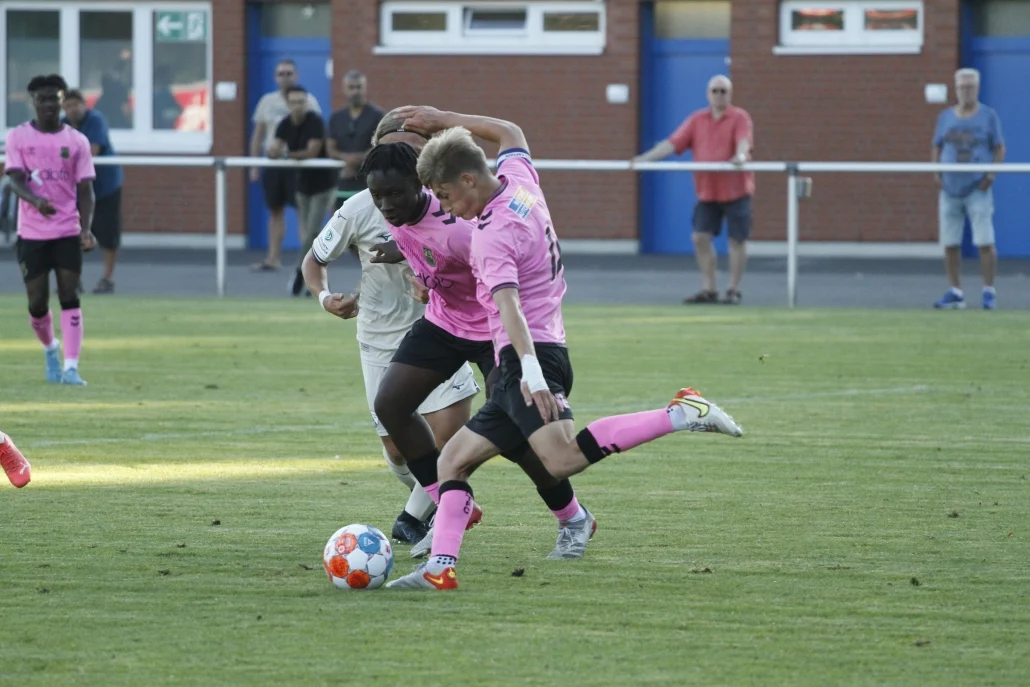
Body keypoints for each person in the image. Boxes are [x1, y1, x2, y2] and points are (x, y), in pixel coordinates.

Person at [385, 107, 743, 590]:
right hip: (545, 346)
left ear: (469, 180)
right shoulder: (519, 180)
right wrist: (444, 119)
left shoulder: (490, 237)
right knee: (453, 461)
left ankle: (681, 413)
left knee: (561, 458)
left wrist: (529, 374)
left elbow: (509, 308)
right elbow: (511, 129)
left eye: (447, 196)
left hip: (526, 356)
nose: (446, 207)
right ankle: (439, 570)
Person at [362, 141, 597, 561]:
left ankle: (573, 516)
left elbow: (501, 285)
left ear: (423, 187)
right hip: (444, 322)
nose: (385, 205)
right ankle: (448, 505)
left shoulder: (463, 227)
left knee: (515, 435)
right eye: (377, 196)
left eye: (395, 194)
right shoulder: (398, 215)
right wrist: (410, 259)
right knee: (391, 404)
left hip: (493, 330)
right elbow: (423, 243)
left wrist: (524, 357)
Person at [4, 74, 97, 387]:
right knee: (37, 302)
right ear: (34, 101)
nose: (48, 105)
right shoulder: (18, 137)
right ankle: (50, 349)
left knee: (70, 294)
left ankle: (71, 368)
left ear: (61, 102)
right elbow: (14, 179)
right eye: (42, 99)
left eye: (53, 99)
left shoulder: (76, 141)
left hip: (67, 229)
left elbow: (86, 189)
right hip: (32, 232)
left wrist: (86, 229)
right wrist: (35, 200)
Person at [633, 75, 754, 305]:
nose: (719, 95)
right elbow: (673, 143)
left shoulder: (740, 117)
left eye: (723, 91)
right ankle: (709, 289)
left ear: (730, 93)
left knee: (737, 240)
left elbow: (743, 142)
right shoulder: (697, 119)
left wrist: (740, 156)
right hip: (708, 192)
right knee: (700, 237)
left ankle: (733, 290)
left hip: (736, 190)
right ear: (708, 93)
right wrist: (644, 159)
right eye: (715, 91)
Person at [932, 68, 1005, 310]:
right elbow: (937, 145)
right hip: (950, 188)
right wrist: (936, 171)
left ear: (977, 88)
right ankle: (955, 291)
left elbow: (999, 148)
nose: (966, 91)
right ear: (956, 89)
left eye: (970, 87)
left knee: (984, 240)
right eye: (962, 87)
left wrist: (990, 175)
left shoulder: (988, 116)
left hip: (977, 188)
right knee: (950, 242)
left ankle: (988, 290)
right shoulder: (945, 117)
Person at [249, 59, 322, 272]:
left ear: (296, 75)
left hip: (298, 165)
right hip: (274, 165)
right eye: (281, 73)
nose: (285, 77)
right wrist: (254, 165)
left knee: (302, 212)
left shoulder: (308, 101)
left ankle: (307, 262)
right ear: (275, 77)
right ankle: (273, 258)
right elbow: (258, 136)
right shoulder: (267, 101)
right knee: (275, 210)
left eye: (289, 73)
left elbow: (316, 131)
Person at [269, 86, 336, 297]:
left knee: (313, 233)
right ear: (287, 104)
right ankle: (314, 276)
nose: (298, 106)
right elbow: (274, 148)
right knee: (308, 234)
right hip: (303, 186)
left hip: (323, 184)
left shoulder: (315, 121)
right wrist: (274, 151)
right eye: (294, 102)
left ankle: (300, 273)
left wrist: (286, 154)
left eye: (301, 101)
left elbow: (312, 151)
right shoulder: (284, 123)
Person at [63, 89, 124, 294]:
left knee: (108, 234)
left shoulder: (96, 120)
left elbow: (92, 151)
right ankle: (74, 279)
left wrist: (65, 156)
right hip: (75, 189)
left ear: (84, 104)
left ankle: (107, 279)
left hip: (105, 186)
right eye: (68, 105)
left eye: (76, 104)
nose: (72, 109)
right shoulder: (62, 125)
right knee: (71, 233)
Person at [326, 71, 383, 211]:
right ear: (345, 89)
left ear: (365, 88)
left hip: (369, 182)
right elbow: (330, 148)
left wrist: (360, 159)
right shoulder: (337, 118)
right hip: (342, 183)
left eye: (358, 87)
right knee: (340, 225)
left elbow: (382, 144)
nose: (355, 91)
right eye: (351, 87)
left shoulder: (377, 115)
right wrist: (346, 158)